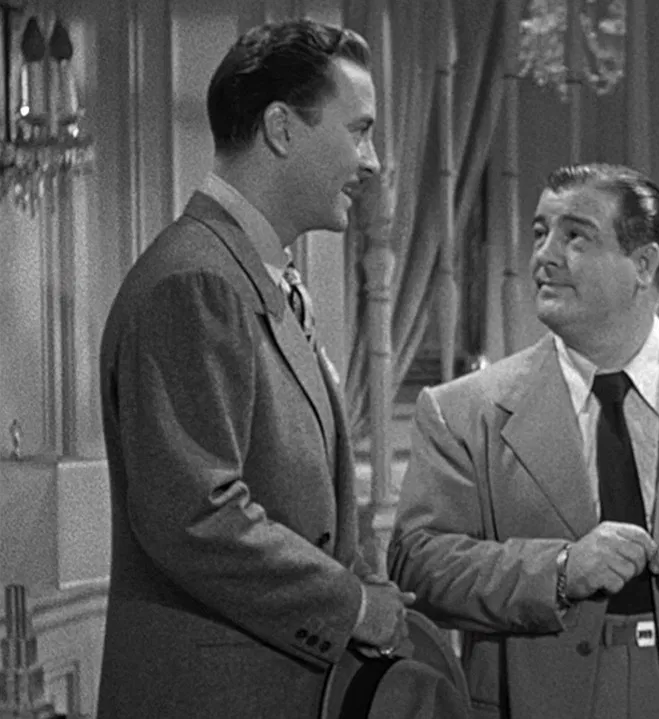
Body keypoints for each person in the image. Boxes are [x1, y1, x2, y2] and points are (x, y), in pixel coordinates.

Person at [97, 20, 459, 719]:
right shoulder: (197, 283)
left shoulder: (253, 277)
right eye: (359, 131)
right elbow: (195, 516)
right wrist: (354, 606)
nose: (372, 161)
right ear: (282, 129)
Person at [388, 162, 659, 719]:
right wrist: (559, 570)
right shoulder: (460, 411)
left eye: (575, 236)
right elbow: (418, 563)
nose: (543, 256)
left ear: (643, 265)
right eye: (540, 232)